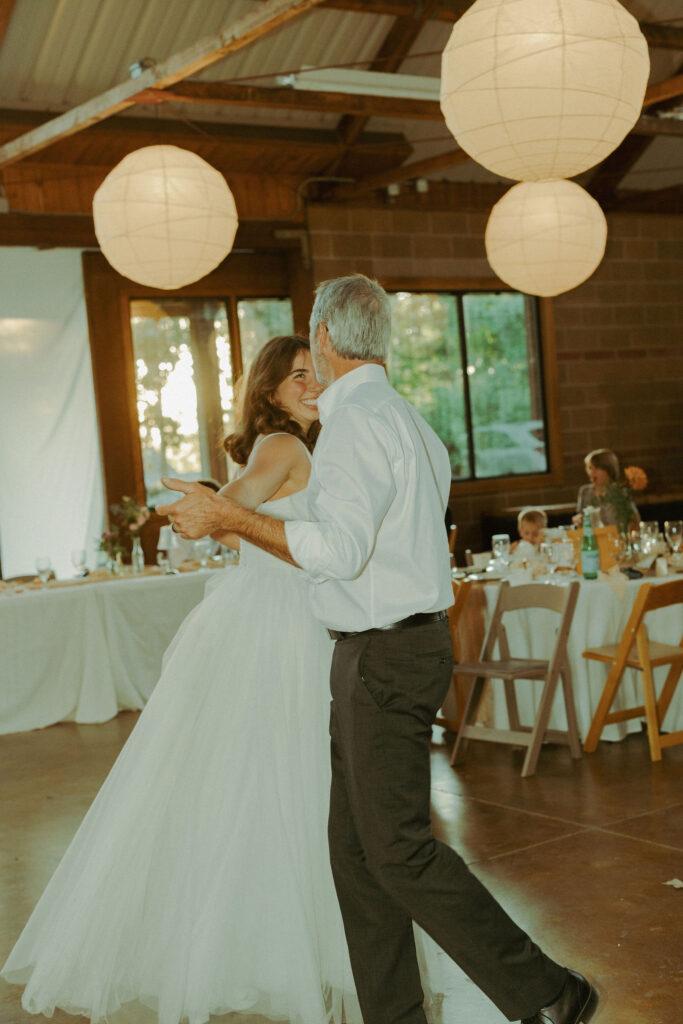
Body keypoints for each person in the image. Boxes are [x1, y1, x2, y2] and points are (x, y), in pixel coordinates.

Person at [159, 274, 600, 1024]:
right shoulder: (404, 419)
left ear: (325, 337)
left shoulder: (358, 423)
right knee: (357, 854)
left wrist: (229, 516)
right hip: (390, 647)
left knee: (395, 851)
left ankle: (550, 992)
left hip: (385, 654)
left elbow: (339, 551)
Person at [2, 335, 370, 1024]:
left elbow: (235, 523)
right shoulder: (285, 446)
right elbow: (227, 511)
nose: (311, 386)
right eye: (296, 377)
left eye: (315, 374)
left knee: (266, 780)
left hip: (280, 613)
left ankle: (267, 943)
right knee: (292, 778)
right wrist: (216, 513)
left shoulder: (302, 447)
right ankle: (299, 949)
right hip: (281, 623)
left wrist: (234, 524)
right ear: (269, 392)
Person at [574, 448, 639, 528]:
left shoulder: (621, 492)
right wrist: (578, 521)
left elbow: (635, 521)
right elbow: (580, 520)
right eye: (590, 468)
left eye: (596, 468)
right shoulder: (585, 492)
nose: (592, 472)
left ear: (609, 470)